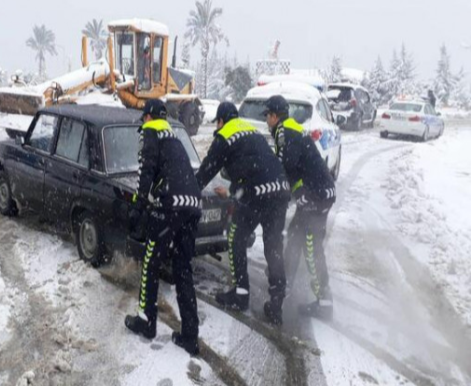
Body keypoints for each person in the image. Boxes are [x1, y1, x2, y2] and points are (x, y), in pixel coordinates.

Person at [196, 102, 291, 325]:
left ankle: (240, 293)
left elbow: (205, 172)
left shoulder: (224, 135)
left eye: (217, 123)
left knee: (236, 235)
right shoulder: (251, 130)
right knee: (273, 245)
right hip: (280, 190)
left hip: (256, 195)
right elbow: (255, 167)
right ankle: (277, 303)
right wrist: (231, 191)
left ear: (220, 121)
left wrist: (187, 192)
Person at [124, 99, 202, 355]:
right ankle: (190, 335)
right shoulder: (175, 139)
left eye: (144, 118)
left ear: (148, 116)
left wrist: (136, 207)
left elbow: (145, 171)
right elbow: (175, 172)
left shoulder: (150, 131)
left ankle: (146, 322)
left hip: (171, 204)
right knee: (182, 268)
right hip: (192, 204)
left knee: (151, 260)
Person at [264, 95, 336, 319]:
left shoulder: (285, 132)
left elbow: (286, 167)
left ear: (275, 116)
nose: (266, 120)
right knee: (295, 237)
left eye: (267, 115)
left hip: (316, 196)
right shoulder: (289, 129)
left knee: (310, 246)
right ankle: (285, 282)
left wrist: (276, 193)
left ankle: (324, 303)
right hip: (317, 193)